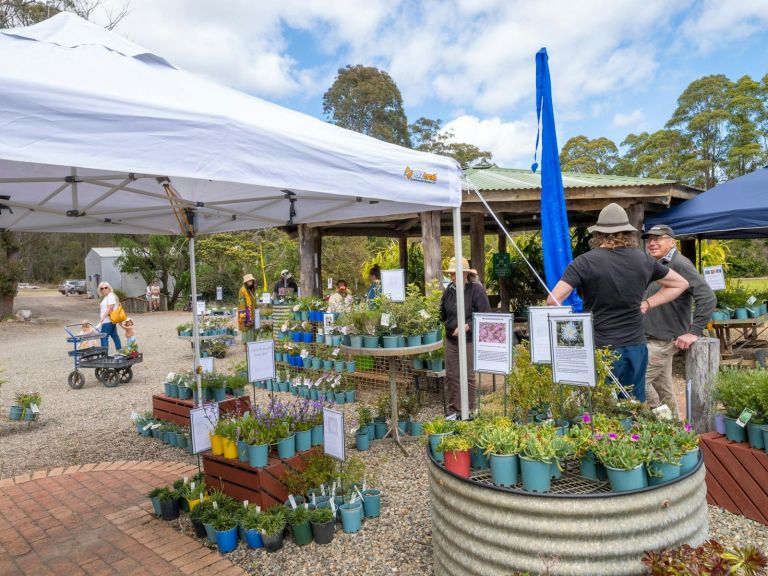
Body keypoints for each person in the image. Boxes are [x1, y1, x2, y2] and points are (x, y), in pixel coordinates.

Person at [546, 203, 689, 402]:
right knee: (633, 403)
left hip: (601, 346)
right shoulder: (643, 260)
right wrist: (647, 303)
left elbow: (552, 301)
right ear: (627, 233)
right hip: (635, 346)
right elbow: (680, 284)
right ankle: (632, 433)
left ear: (599, 234)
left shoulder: (584, 262)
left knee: (602, 406)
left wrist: (575, 327)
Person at [642, 224, 716, 417]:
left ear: (671, 241)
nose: (652, 243)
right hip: (653, 338)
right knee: (663, 388)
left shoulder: (680, 264)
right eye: (649, 239)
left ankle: (662, 422)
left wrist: (694, 331)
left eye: (658, 238)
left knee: (637, 384)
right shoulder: (656, 265)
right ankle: (674, 428)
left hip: (663, 340)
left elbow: (708, 297)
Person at [440, 257, 491, 417]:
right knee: (452, 374)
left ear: (466, 274)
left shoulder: (476, 290)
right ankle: (455, 410)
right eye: (451, 274)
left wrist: (467, 325)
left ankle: (470, 410)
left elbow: (485, 316)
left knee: (468, 375)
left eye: (456, 274)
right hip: (451, 339)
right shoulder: (449, 291)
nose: (453, 277)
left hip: (468, 339)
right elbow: (442, 313)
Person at [97, 282, 122, 352]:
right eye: (102, 288)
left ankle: (104, 354)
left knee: (103, 337)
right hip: (110, 320)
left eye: (105, 287)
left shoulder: (110, 296)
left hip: (107, 321)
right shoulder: (108, 296)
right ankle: (119, 350)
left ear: (109, 288)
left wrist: (102, 318)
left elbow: (110, 308)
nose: (104, 289)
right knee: (114, 336)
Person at [239, 274, 257, 344]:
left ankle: (251, 343)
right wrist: (244, 316)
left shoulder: (250, 290)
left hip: (251, 311)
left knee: (252, 328)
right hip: (246, 312)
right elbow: (242, 303)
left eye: (251, 280)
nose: (250, 282)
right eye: (248, 281)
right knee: (246, 328)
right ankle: (245, 345)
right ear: (245, 282)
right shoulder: (242, 290)